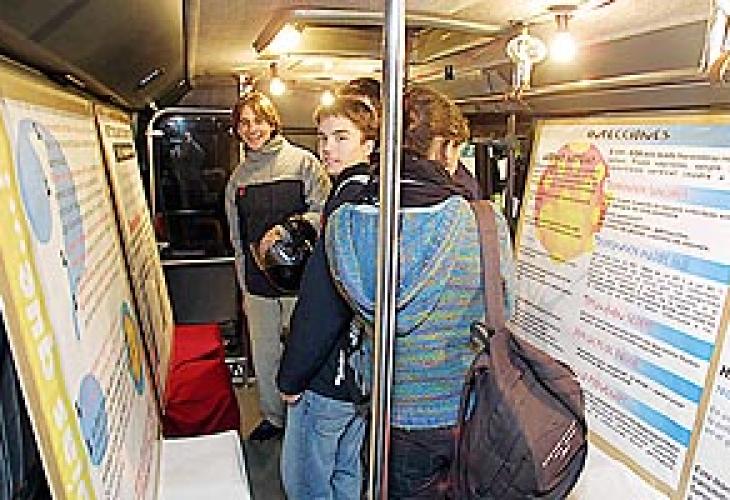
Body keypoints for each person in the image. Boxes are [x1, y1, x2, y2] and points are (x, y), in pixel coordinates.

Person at [324, 85, 516, 498]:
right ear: (443, 147)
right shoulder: (484, 223)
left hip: (390, 412)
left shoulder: (343, 225)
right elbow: (505, 307)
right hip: (464, 408)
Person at [277, 95, 379, 500]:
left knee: (306, 483)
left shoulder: (346, 204)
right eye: (322, 138)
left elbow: (325, 301)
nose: (328, 148)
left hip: (328, 374)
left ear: (369, 144)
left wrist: (292, 375)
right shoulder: (374, 193)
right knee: (346, 473)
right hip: (360, 375)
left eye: (341, 137)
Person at [224, 91, 331, 441]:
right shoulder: (238, 180)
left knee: (304, 352)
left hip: (302, 281)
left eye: (258, 121)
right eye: (244, 123)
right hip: (258, 285)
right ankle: (274, 417)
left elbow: (324, 213)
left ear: (272, 123)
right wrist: (244, 288)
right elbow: (238, 241)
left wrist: (289, 228)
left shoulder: (303, 164)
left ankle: (306, 418)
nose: (251, 129)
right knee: (266, 355)